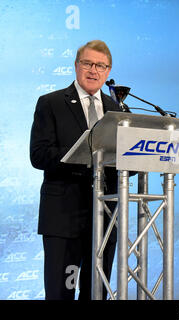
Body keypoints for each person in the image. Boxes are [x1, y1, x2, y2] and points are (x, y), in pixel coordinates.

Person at [30, 40, 120, 300]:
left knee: (96, 294)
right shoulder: (51, 103)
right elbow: (39, 154)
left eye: (101, 66)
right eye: (88, 63)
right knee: (61, 294)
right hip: (63, 217)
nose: (94, 70)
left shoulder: (117, 110)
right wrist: (84, 157)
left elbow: (124, 159)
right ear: (76, 66)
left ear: (108, 70)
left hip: (104, 219)